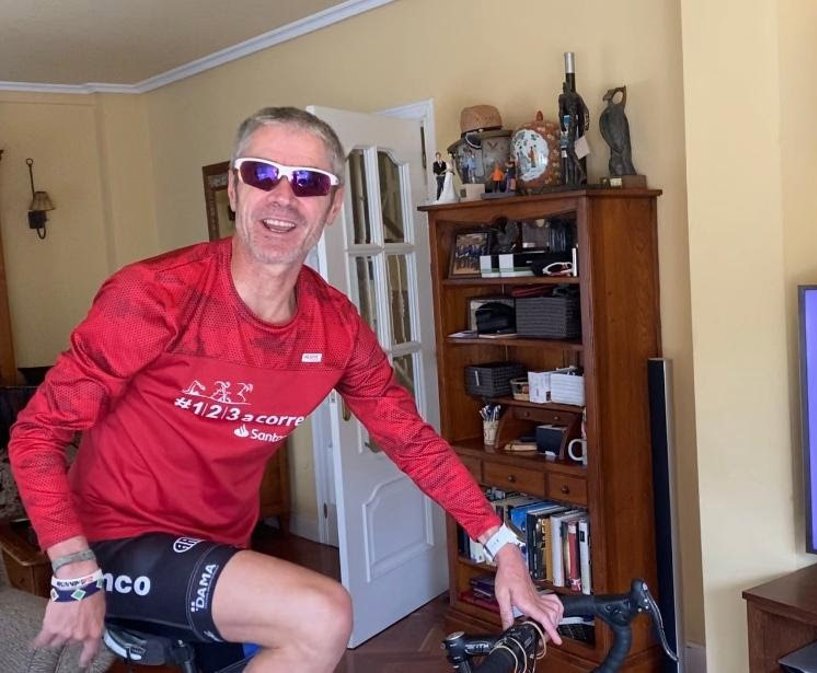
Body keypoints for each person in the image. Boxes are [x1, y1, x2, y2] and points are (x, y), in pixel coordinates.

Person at [8, 106, 562, 673]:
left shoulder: (336, 326)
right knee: (321, 615)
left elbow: (412, 441)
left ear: (333, 205)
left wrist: (505, 547)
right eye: (261, 173)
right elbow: (35, 434)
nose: (283, 197)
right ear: (234, 189)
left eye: (308, 182)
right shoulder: (154, 295)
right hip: (112, 543)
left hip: (220, 550)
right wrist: (72, 567)